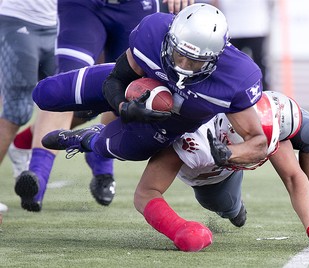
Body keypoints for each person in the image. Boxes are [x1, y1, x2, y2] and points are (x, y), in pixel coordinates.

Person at [35, 3, 268, 216]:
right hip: (135, 86)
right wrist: (123, 107)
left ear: (215, 58)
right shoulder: (154, 30)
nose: (183, 66)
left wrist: (230, 154)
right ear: (171, 38)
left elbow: (258, 141)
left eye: (195, 61)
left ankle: (84, 140)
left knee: (120, 148)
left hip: (170, 121)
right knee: (46, 94)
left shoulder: (237, 78)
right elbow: (116, 80)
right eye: (180, 54)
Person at [13, 0, 194, 212]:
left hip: (135, 6)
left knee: (130, 86)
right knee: (66, 88)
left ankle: (101, 163)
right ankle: (37, 177)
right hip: (83, 5)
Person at [133, 91, 309, 251]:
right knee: (226, 205)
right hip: (211, 175)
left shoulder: (270, 120)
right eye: (255, 148)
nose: (260, 155)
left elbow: (293, 176)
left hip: (232, 143)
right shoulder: (194, 140)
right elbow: (146, 192)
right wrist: (178, 228)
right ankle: (235, 210)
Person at [0, 0, 57, 209]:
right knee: (17, 110)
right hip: (17, 20)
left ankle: (21, 147)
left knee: (72, 101)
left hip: (57, 24)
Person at [209, 0, 273, 90]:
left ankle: (263, 93)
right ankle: (228, 92)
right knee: (228, 65)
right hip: (236, 26)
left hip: (255, 25)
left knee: (258, 63)